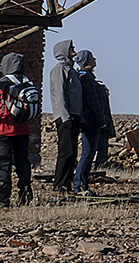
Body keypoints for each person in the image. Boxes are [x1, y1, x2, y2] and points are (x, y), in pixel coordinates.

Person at [0, 52, 36, 207]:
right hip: (23, 129)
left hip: (3, 129)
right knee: (23, 164)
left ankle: (3, 200)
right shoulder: (27, 82)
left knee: (4, 164)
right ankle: (25, 197)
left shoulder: (5, 82)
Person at [45, 39, 84, 194]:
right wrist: (65, 116)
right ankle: (60, 184)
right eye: (71, 48)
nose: (74, 50)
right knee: (66, 152)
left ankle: (66, 185)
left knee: (72, 152)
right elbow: (59, 95)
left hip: (73, 116)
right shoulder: (59, 70)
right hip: (65, 117)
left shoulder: (71, 69)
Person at [72, 50, 106, 196]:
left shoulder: (85, 77)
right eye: (92, 57)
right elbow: (93, 103)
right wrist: (102, 121)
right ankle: (79, 184)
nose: (95, 59)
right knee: (88, 152)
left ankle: (81, 183)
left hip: (89, 118)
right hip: (91, 119)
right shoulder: (86, 78)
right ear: (87, 60)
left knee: (89, 152)